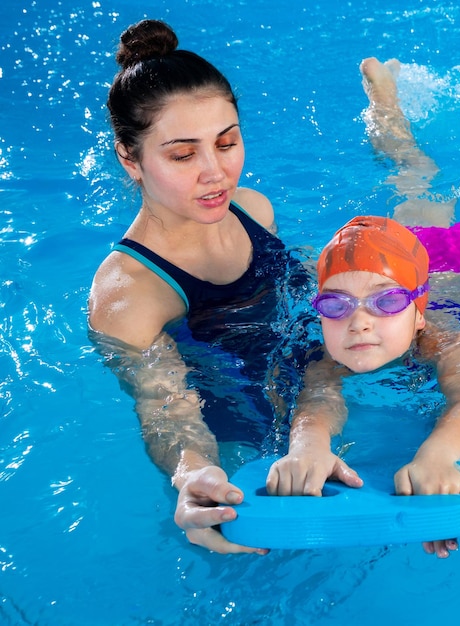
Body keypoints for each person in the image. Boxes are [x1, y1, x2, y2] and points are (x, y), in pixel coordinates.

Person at [88, 19, 325, 555]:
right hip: (243, 427)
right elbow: (164, 406)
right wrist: (193, 473)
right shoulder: (130, 294)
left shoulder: (252, 209)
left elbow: (302, 289)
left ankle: (398, 139)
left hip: (314, 382)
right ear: (131, 158)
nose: (216, 172)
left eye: (227, 142)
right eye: (182, 154)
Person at [265, 58, 460, 559]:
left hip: (452, 263)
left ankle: (386, 101)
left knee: (423, 177)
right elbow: (316, 407)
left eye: (386, 304)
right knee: (408, 186)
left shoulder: (446, 339)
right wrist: (307, 448)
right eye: (335, 304)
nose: (359, 321)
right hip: (388, 260)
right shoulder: (327, 355)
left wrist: (438, 455)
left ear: (416, 315)